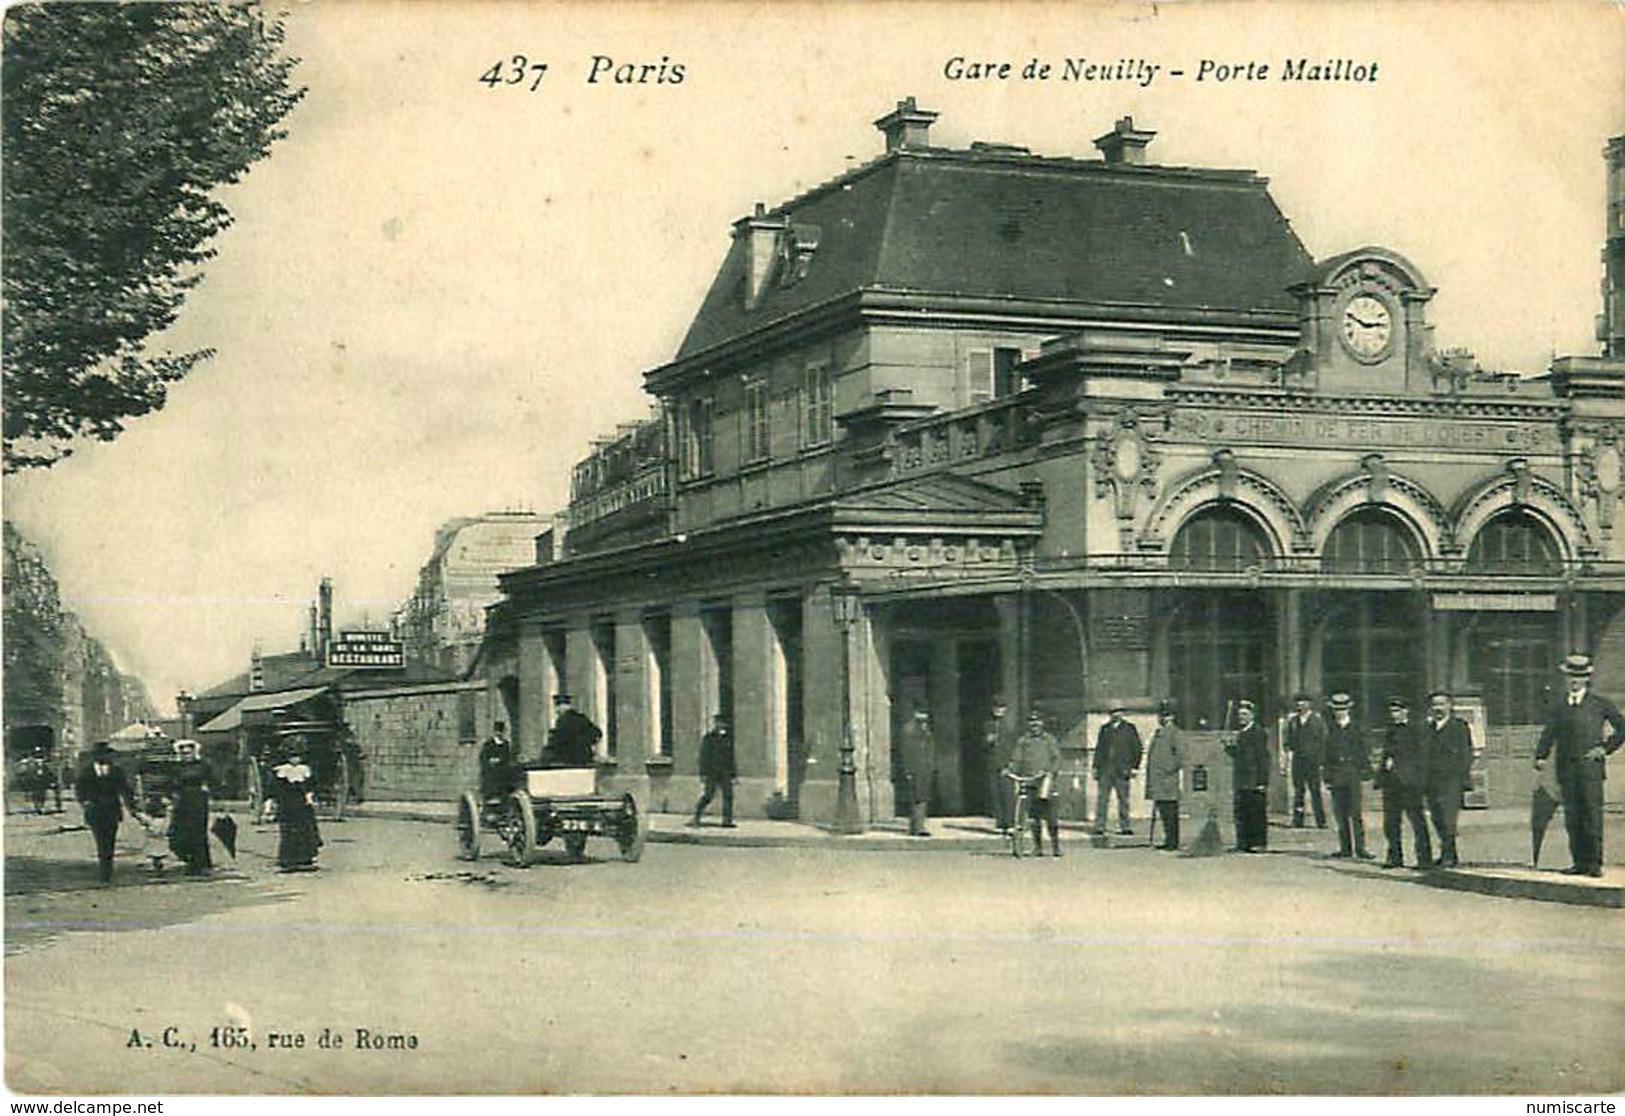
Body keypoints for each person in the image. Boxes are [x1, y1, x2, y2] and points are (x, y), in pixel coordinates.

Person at [1535, 653, 1625, 878]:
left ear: (1586, 679)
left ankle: (1593, 863)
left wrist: (1604, 748)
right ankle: (1578, 862)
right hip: (1565, 769)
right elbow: (1549, 733)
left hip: (1590, 770)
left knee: (1591, 816)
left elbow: (1622, 729)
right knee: (1572, 818)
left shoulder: (1599, 704)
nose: (1574, 681)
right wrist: (1541, 755)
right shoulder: (1559, 705)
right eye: (1570, 677)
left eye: (1579, 677)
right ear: (1565, 679)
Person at [1376, 696, 1432, 870]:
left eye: (1398, 711)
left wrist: (1418, 780)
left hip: (1409, 783)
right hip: (1391, 782)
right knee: (1391, 822)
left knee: (1417, 821)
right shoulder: (1390, 730)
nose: (1394, 715)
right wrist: (1382, 775)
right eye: (1392, 711)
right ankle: (1394, 857)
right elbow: (1386, 754)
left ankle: (1424, 859)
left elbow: (1422, 758)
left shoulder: (1416, 730)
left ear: (1406, 711)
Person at [75, 741, 142, 884]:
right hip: (95, 811)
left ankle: (107, 870)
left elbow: (125, 790)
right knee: (101, 841)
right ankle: (104, 870)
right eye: (100, 755)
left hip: (112, 811)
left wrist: (133, 808)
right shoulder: (86, 772)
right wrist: (85, 803)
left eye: (106, 754)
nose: (104, 757)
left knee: (110, 841)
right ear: (94, 756)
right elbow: (80, 790)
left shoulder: (116, 771)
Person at [1422, 691, 1474, 868]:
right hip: (1431, 781)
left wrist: (1461, 777)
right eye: (1434, 705)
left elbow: (1466, 754)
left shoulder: (1459, 727)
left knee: (1448, 819)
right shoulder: (1427, 728)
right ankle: (1448, 852)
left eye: (1441, 704)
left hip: (1451, 780)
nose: (1438, 708)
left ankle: (1448, 855)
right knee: (1436, 817)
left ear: (1450, 706)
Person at [1321, 692, 1372, 860]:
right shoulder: (1330, 729)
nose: (1340, 712)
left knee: (1355, 813)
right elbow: (1326, 754)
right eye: (1336, 709)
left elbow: (1364, 750)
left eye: (1343, 709)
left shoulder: (1357, 728)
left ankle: (1361, 848)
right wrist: (1327, 776)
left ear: (1349, 710)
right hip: (1336, 775)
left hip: (1352, 774)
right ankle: (1345, 848)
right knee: (1340, 814)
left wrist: (1364, 771)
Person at [1007, 709, 1062, 856]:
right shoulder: (1023, 741)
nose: (1034, 724)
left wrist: (1050, 772)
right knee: (1034, 818)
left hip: (1045, 782)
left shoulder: (1049, 740)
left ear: (1042, 723)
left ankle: (1056, 846)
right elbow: (1016, 759)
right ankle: (1038, 847)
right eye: (1031, 722)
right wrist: (1010, 769)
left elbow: (1056, 758)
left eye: (1037, 721)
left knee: (1051, 818)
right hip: (1030, 782)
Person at [1225, 699, 1270, 852]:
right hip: (1241, 779)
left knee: (1256, 812)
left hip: (1254, 779)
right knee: (1241, 812)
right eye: (1240, 715)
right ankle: (1243, 842)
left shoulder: (1257, 732)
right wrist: (1229, 747)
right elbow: (1238, 756)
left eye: (1245, 714)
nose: (1241, 717)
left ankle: (1258, 843)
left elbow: (1263, 757)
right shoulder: (1241, 733)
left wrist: (1262, 781)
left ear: (1252, 715)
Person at [1092, 703, 1142, 836]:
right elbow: (1099, 749)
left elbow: (1137, 748)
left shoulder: (1129, 729)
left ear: (1123, 713)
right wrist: (1095, 767)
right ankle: (1100, 826)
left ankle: (1125, 826)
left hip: (1123, 769)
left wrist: (1134, 767)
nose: (1116, 714)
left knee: (1123, 799)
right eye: (1113, 712)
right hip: (1106, 769)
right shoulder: (1105, 729)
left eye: (1119, 711)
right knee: (1102, 799)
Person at [167, 739, 213, 876]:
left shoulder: (203, 765)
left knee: (198, 832)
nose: (187, 754)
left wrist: (209, 789)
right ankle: (186, 857)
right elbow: (169, 783)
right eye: (183, 751)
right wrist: (170, 797)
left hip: (198, 799)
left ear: (195, 752)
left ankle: (199, 864)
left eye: (189, 751)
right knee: (178, 832)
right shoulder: (175, 767)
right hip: (181, 800)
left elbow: (212, 780)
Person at [272, 748, 322, 872]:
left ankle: (305, 858)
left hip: (302, 804)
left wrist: (309, 795)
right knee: (289, 831)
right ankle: (288, 860)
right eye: (292, 757)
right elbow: (277, 789)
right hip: (287, 805)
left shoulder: (305, 770)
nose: (296, 759)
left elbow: (311, 785)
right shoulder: (282, 771)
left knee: (305, 829)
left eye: (298, 757)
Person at [1143, 699, 1184, 851]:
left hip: (1167, 780)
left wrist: (1167, 769)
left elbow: (1180, 757)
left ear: (1172, 717)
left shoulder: (1175, 733)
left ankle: (1173, 842)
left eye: (1166, 716)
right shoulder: (1158, 733)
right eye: (1161, 716)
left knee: (1170, 812)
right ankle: (1168, 839)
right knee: (1163, 812)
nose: (1162, 718)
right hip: (1158, 780)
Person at [1284, 691, 1328, 829]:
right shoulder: (1293, 722)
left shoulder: (1317, 721)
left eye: (1304, 702)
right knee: (1298, 791)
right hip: (1298, 760)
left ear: (1310, 704)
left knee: (1315, 790)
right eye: (1298, 702)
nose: (1300, 704)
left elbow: (1324, 741)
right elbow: (1288, 740)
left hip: (1313, 761)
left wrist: (1321, 760)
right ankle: (1298, 820)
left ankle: (1320, 820)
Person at [691, 713, 736, 828]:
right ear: (715, 724)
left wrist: (734, 774)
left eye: (723, 724)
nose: (721, 726)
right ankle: (696, 816)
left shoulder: (728, 739)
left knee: (728, 795)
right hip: (711, 771)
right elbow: (703, 756)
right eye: (719, 723)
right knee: (708, 795)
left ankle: (727, 821)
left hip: (725, 771)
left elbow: (731, 757)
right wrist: (703, 773)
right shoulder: (709, 738)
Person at [898, 706, 936, 837]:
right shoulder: (909, 730)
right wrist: (908, 770)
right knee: (917, 798)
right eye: (921, 713)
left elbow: (929, 749)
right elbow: (906, 752)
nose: (924, 717)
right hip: (915, 769)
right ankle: (917, 827)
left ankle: (919, 825)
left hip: (924, 769)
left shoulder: (924, 729)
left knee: (922, 797)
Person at [543, 693, 602, 767]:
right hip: (584, 758)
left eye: (557, 707)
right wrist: (587, 744)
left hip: (568, 759)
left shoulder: (562, 721)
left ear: (561, 707)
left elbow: (559, 740)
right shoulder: (581, 718)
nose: (556, 711)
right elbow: (597, 733)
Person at [478, 720, 520, 800]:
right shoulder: (488, 744)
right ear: (494, 732)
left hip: (503, 769)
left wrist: (504, 761)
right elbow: (483, 757)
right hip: (491, 770)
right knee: (492, 778)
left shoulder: (505, 744)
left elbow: (507, 756)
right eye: (497, 731)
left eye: (501, 732)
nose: (499, 734)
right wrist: (491, 760)